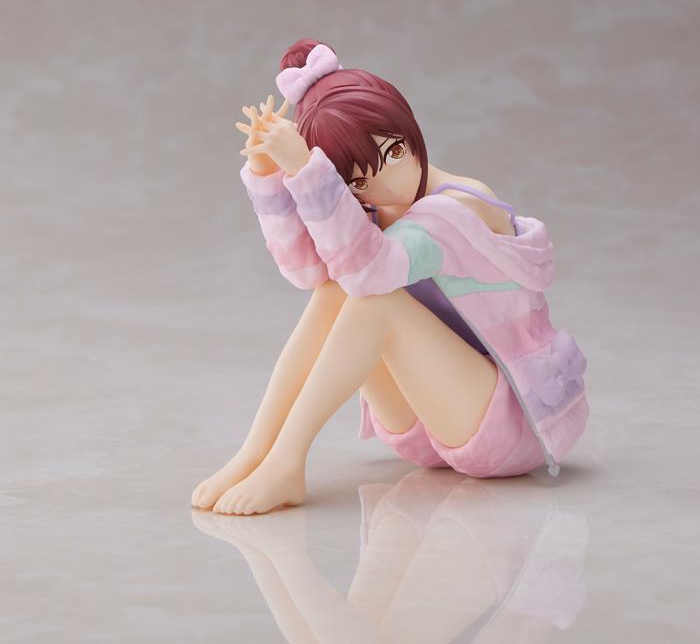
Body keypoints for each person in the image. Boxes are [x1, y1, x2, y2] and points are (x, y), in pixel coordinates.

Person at [191, 39, 589, 515]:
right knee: (332, 288)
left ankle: (286, 461)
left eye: (394, 151)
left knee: (374, 300)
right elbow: (308, 271)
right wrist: (270, 175)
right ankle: (257, 452)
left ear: (408, 127)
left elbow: (372, 273)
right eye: (358, 181)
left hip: (510, 425)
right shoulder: (373, 210)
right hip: (426, 425)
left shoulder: (459, 205)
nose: (387, 184)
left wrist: (306, 169)